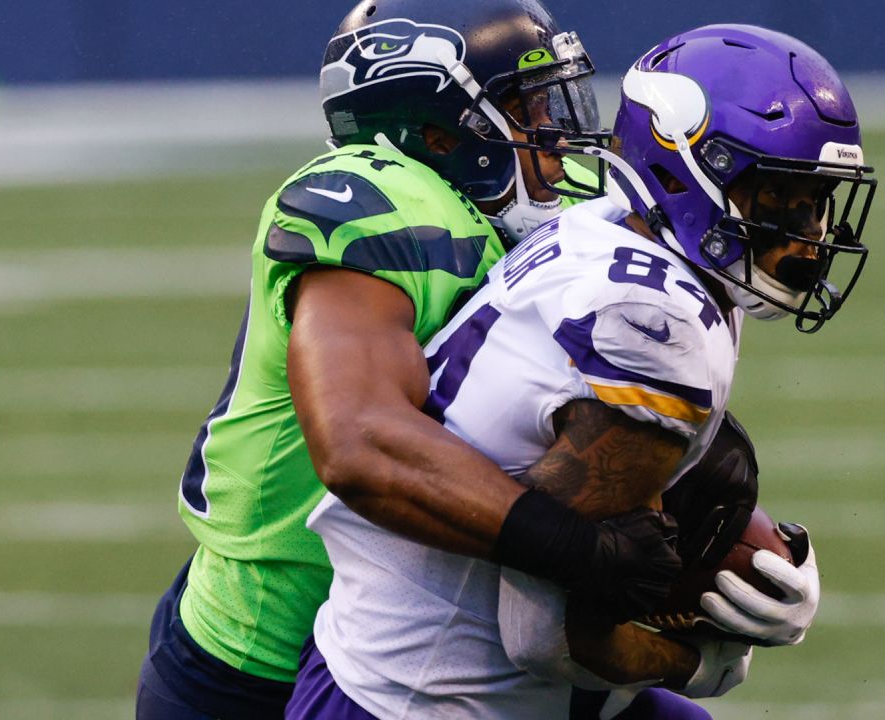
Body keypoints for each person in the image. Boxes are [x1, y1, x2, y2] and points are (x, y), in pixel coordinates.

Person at [290, 23, 876, 719]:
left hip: (383, 650)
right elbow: (546, 637)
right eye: (777, 197)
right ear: (688, 169)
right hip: (423, 698)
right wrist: (701, 666)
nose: (809, 234)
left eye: (816, 201)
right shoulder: (661, 327)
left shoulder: (613, 226)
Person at [135, 2, 683, 718]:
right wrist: (582, 552)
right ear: (438, 131)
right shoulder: (377, 206)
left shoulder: (527, 224)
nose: (555, 136)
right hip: (264, 660)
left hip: (437, 633)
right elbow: (363, 445)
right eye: (528, 107)